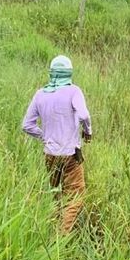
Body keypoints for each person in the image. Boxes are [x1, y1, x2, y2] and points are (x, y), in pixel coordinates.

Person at [22, 55, 92, 232]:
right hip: (70, 155)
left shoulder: (40, 94)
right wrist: (87, 131)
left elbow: (27, 125)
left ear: (51, 73)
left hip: (50, 155)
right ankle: (61, 235)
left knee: (56, 195)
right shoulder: (74, 91)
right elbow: (84, 115)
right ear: (69, 73)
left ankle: (53, 227)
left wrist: (44, 135)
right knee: (76, 196)